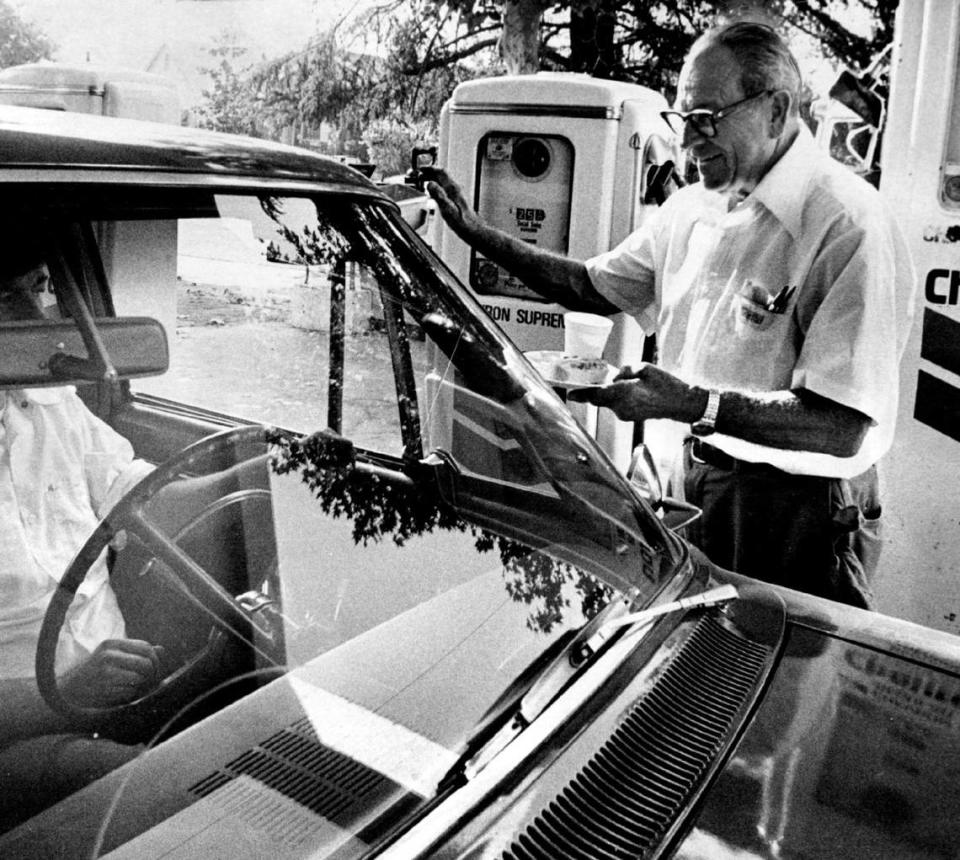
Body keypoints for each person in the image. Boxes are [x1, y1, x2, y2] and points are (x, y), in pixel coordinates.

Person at [424, 20, 916, 608]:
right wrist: (479, 234)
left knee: (783, 685)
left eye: (706, 119)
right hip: (682, 481)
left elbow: (842, 425)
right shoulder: (692, 208)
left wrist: (691, 403)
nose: (688, 142)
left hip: (797, 509)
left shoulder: (847, 223)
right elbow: (589, 285)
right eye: (683, 122)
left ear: (776, 109)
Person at [0, 246, 162, 828]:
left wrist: (263, 467)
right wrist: (66, 688)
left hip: (119, 687)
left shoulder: (49, 397)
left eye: (40, 285)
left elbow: (136, 492)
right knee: (167, 796)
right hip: (20, 734)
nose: (42, 317)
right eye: (4, 297)